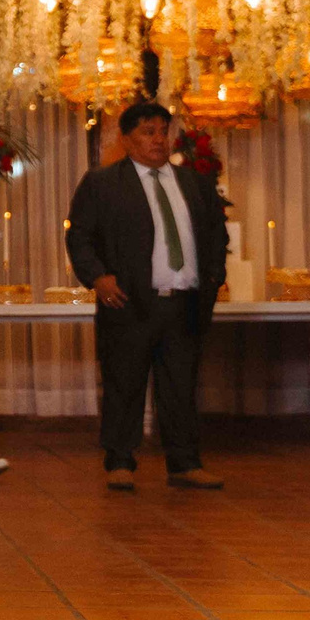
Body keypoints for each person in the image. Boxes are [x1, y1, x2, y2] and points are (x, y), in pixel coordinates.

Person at [66, 100, 229, 492]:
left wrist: (213, 277)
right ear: (126, 139)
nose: (158, 139)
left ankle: (185, 463)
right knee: (124, 383)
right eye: (147, 132)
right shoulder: (103, 183)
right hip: (129, 302)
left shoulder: (193, 183)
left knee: (180, 386)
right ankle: (120, 462)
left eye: (162, 131)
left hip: (184, 303)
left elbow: (215, 235)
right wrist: (98, 277)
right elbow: (80, 236)